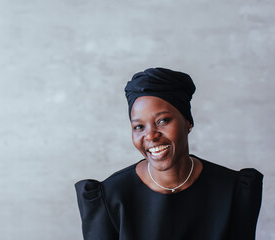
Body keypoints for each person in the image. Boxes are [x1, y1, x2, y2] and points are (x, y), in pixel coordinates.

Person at [75, 67, 263, 240]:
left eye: (163, 120)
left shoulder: (234, 191)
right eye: (139, 126)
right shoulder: (110, 198)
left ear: (188, 122)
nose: (150, 135)